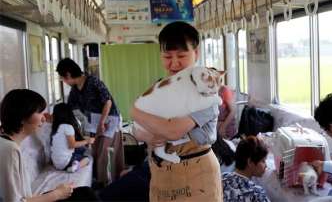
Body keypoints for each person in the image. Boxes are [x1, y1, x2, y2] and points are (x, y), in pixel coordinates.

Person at [131, 21, 222, 202]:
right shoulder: (160, 87)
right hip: (161, 173)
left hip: (197, 173)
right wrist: (149, 136)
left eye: (181, 55)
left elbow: (172, 131)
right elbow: (136, 131)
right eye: (167, 57)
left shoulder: (205, 90)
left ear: (196, 53)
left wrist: (135, 111)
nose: (174, 63)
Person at [0, 89, 99, 202]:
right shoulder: (10, 150)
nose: (44, 118)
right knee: (87, 195)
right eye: (40, 112)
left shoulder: (6, 143)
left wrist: (57, 192)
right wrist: (56, 194)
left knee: (84, 193)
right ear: (22, 117)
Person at [56, 58, 124, 185]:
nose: (64, 82)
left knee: (105, 152)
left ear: (68, 75)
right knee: (96, 152)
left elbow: (107, 102)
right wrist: (55, 117)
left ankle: (111, 183)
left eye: (63, 78)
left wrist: (102, 122)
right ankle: (100, 182)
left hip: (109, 119)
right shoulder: (75, 89)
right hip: (94, 122)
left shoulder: (93, 81)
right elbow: (68, 108)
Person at [222, 136, 270, 202]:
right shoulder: (256, 194)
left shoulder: (223, 177)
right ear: (250, 162)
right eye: (263, 161)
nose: (266, 165)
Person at [50, 103, 94, 173]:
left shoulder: (55, 128)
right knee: (87, 159)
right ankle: (76, 166)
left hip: (56, 163)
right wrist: (87, 141)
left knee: (81, 150)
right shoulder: (68, 127)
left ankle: (74, 164)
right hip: (65, 162)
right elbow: (72, 145)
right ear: (69, 114)